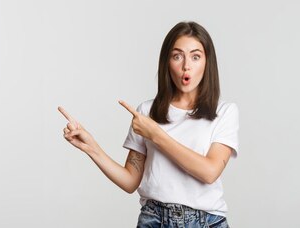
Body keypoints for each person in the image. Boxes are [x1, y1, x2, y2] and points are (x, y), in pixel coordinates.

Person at [58, 21, 238, 228]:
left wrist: (156, 135)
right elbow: (130, 181)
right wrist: (91, 147)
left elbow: (209, 172)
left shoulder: (224, 112)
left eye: (195, 56)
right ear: (167, 62)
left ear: (207, 62)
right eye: (177, 56)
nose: (186, 65)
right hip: (154, 220)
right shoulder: (146, 112)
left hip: (205, 222)